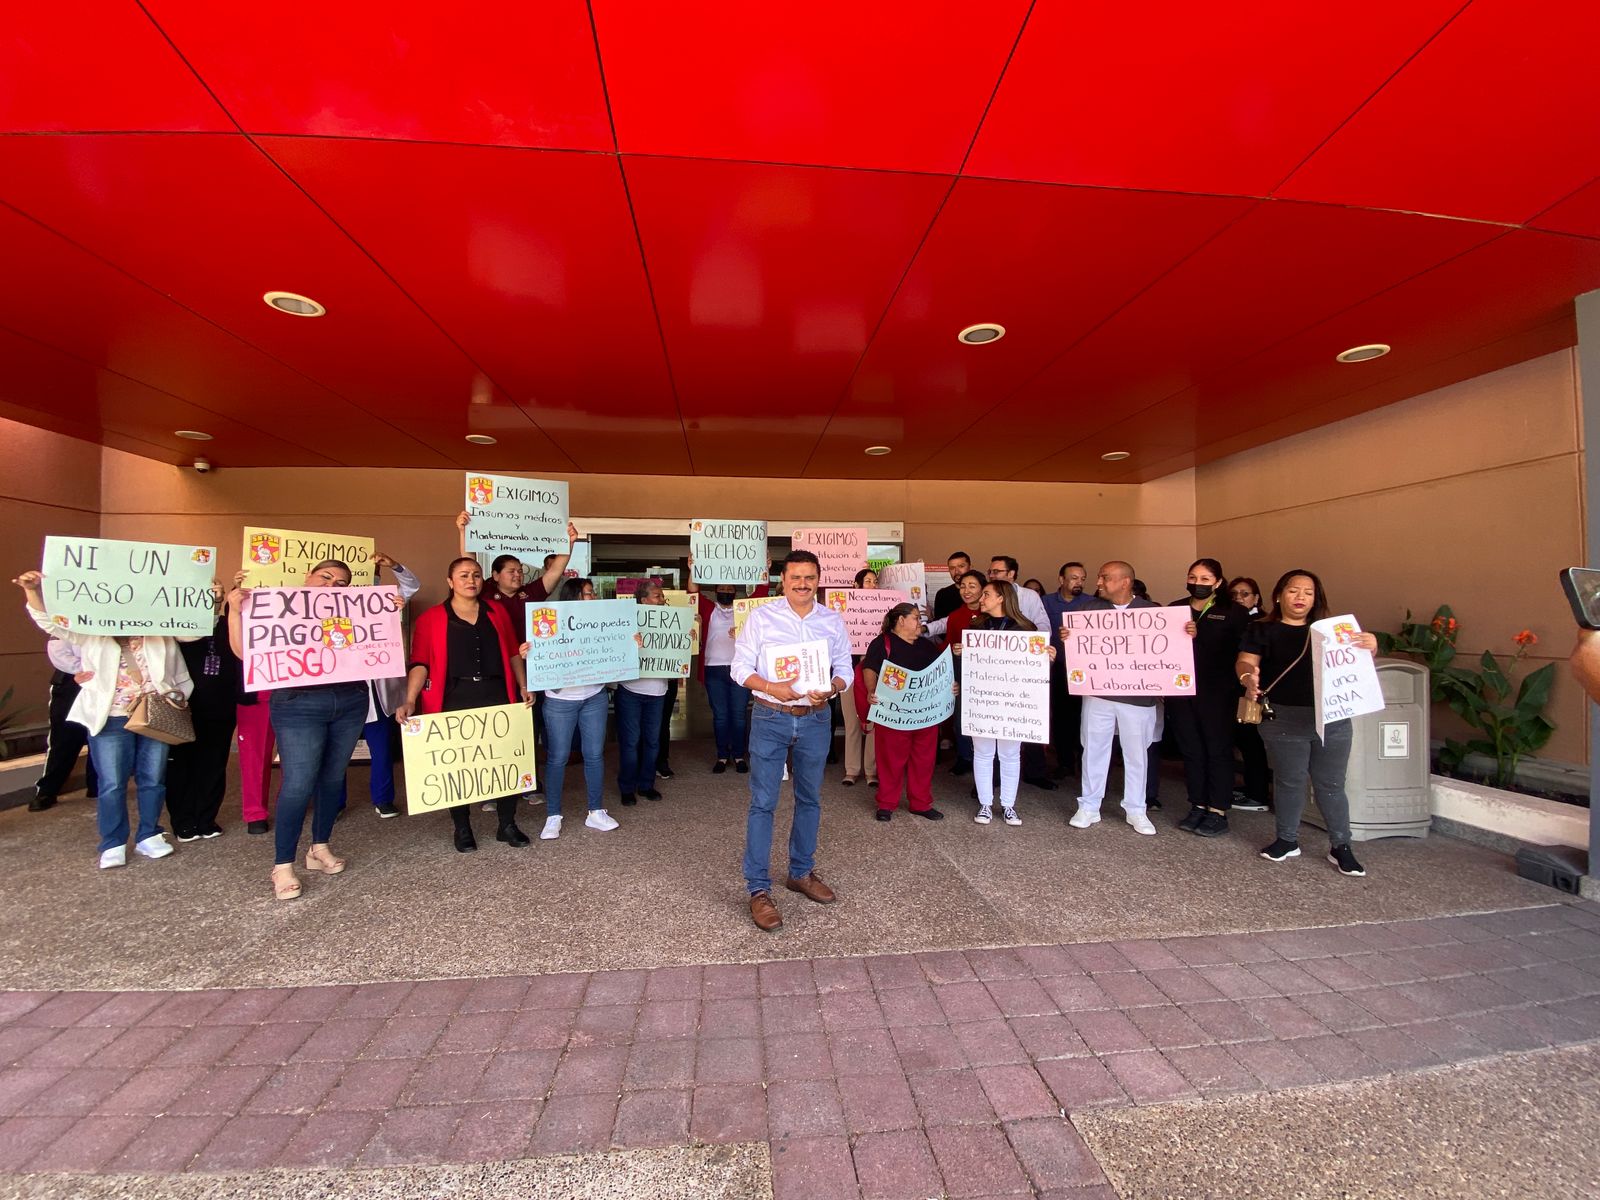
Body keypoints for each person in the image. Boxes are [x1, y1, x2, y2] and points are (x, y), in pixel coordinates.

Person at [17, 569, 196, 869]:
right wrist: (33, 591)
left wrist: (209, 598)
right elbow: (52, 623)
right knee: (112, 782)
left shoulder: (159, 627)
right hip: (110, 715)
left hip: (155, 713)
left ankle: (149, 834)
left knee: (153, 779)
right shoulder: (91, 630)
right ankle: (113, 842)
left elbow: (194, 631)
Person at [226, 560, 364, 900]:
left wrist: (390, 611)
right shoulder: (278, 607)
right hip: (297, 702)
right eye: (325, 577)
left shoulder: (354, 612)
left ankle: (319, 847)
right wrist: (234, 612)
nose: (332, 586)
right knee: (298, 782)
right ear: (307, 577)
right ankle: (283, 865)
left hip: (349, 699)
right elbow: (244, 652)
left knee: (333, 778)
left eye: (341, 583)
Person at [732, 550, 852, 932]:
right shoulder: (762, 618)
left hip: (816, 719)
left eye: (809, 577)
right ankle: (758, 889)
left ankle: (800, 872)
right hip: (771, 716)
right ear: (782, 580)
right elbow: (739, 668)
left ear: (818, 580)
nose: (803, 584)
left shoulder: (831, 620)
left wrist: (831, 688)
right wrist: (772, 687)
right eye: (795, 577)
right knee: (763, 802)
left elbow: (845, 668)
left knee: (810, 798)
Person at [1236, 569, 1379, 877]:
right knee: (1290, 781)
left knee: (1331, 784)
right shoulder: (1261, 629)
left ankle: (1341, 846)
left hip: (1332, 718)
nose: (1300, 597)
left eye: (1308, 592)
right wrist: (1248, 678)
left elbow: (1357, 665)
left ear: (1316, 599)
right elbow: (1245, 660)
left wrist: (1371, 645)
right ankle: (1287, 840)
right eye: (1293, 590)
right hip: (1283, 718)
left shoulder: (1332, 632)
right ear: (1279, 595)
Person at [394, 556, 531, 850]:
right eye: (464, 575)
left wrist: (523, 686)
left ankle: (507, 824)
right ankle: (462, 827)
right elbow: (420, 663)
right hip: (454, 696)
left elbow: (512, 653)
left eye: (477, 575)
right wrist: (410, 699)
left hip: (497, 693)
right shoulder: (431, 619)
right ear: (450, 581)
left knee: (505, 759)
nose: (471, 580)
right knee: (458, 766)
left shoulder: (497, 612)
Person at [1069, 561, 1161, 836]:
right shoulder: (1088, 610)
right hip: (1098, 693)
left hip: (1138, 697)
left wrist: (1185, 632)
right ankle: (1089, 805)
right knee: (1094, 748)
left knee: (1136, 753)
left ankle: (1136, 809)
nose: (1098, 582)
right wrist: (1068, 637)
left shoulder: (1152, 613)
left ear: (1125, 582)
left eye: (1105, 577)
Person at [1168, 559, 1251, 838]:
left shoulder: (1234, 612)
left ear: (1218, 582)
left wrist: (1199, 635)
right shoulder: (1175, 608)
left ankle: (1217, 810)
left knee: (1217, 749)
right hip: (1181, 691)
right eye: (1193, 577)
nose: (1198, 583)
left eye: (1205, 579)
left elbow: (1243, 651)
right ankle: (1197, 804)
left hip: (1218, 692)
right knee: (1191, 749)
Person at [961, 581, 1055, 826]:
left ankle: (1008, 805)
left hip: (1013, 703)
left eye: (986, 594)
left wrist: (1047, 658)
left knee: (1010, 754)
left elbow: (1034, 669)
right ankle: (985, 804)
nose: (981, 599)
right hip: (982, 699)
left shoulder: (1026, 629)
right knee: (982, 753)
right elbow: (969, 665)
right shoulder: (976, 626)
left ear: (1002, 597)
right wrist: (960, 653)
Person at [534, 577, 620, 838]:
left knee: (594, 754)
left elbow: (615, 650)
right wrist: (530, 651)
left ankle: (596, 811)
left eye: (592, 593)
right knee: (558, 756)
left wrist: (631, 643)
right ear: (574, 597)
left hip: (594, 695)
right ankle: (553, 815)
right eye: (589, 593)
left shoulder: (602, 624)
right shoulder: (552, 622)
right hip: (560, 699)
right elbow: (541, 652)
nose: (594, 597)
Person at [861, 602, 949, 823]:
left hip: (924, 715)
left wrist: (951, 686)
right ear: (901, 620)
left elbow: (941, 671)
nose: (920, 622)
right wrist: (871, 690)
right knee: (890, 760)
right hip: (893, 714)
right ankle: (886, 803)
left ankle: (921, 803)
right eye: (916, 618)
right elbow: (869, 668)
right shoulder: (882, 643)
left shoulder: (926, 645)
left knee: (924, 760)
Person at [167, 580, 240, 841]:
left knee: (214, 763)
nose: (212, 597)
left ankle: (207, 818)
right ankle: (183, 820)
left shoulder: (230, 625)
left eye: (217, 593)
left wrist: (229, 600)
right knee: (181, 764)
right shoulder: (177, 628)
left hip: (221, 705)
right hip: (183, 706)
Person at [686, 559, 769, 774]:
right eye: (722, 588)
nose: (725, 591)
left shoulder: (745, 609)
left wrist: (765, 567)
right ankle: (722, 755)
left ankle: (739, 755)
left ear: (735, 591)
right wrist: (693, 568)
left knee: (739, 715)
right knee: (721, 715)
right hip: (713, 669)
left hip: (741, 670)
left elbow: (762, 591)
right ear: (715, 591)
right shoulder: (708, 608)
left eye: (730, 588)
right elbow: (692, 592)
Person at [988, 556, 1056, 791]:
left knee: (1027, 719)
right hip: (994, 672)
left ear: (1012, 574)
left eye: (997, 571)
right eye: (990, 571)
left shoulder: (1029, 596)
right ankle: (993, 777)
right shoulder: (988, 596)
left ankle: (1035, 772)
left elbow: (1043, 625)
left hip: (1024, 669)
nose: (992, 575)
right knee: (993, 723)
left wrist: (1031, 646)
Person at [926, 569, 986, 775]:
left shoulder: (992, 614)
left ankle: (986, 762)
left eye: (972, 586)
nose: (966, 591)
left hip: (989, 678)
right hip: (961, 675)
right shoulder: (956, 616)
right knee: (961, 718)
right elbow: (947, 646)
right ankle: (964, 757)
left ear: (983, 589)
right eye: (963, 586)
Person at [616, 579, 669, 807]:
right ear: (644, 600)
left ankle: (646, 785)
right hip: (631, 689)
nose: (662, 600)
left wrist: (689, 634)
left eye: (662, 596)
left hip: (658, 691)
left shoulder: (671, 620)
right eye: (657, 596)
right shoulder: (626, 620)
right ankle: (627, 787)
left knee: (652, 741)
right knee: (630, 741)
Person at [32, 635, 98, 812]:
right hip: (71, 681)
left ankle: (96, 785)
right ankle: (47, 791)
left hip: (105, 680)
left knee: (100, 733)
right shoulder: (65, 623)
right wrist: (89, 669)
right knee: (63, 739)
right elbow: (58, 652)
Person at [1225, 576, 1271, 811]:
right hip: (1235, 689)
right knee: (1242, 741)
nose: (1239, 598)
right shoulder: (1232, 618)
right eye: (1234, 594)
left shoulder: (1261, 623)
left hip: (1253, 691)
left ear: (1256, 598)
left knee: (1251, 742)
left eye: (1245, 594)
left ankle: (1257, 794)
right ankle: (1251, 787)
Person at [1042, 562, 1089, 781]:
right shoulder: (1046, 602)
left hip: (1085, 669)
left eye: (1082, 579)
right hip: (1058, 668)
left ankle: (1084, 763)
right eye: (1074, 578)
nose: (1079, 582)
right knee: (1060, 717)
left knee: (1084, 716)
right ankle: (1064, 762)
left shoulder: (1092, 602)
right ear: (1061, 579)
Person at [839, 566, 879, 789]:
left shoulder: (884, 610)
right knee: (852, 722)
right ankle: (852, 769)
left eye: (875, 581)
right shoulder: (843, 612)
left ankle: (871, 771)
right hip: (849, 672)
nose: (872, 585)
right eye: (868, 581)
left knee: (873, 723)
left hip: (874, 674)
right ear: (856, 585)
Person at [932, 552, 972, 620]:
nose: (956, 572)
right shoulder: (942, 594)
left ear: (970, 567)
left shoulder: (982, 591)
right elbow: (939, 623)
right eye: (952, 568)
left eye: (961, 566)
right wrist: (931, 617)